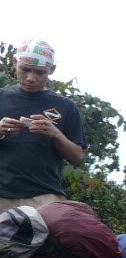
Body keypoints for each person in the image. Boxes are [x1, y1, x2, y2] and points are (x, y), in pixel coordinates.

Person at [0, 40, 86, 214]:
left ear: (51, 70)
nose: (31, 78)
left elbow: (77, 158)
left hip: (46, 197)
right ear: (15, 63)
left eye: (40, 72)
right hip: (1, 194)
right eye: (25, 69)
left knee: (53, 241)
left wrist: (56, 134)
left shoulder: (66, 106)